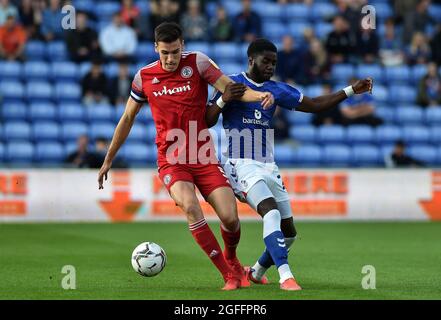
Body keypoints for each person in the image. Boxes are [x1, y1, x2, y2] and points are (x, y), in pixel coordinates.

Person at [97, 22, 274, 291]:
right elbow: (127, 117)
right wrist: (108, 158)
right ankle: (228, 274)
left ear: (183, 46)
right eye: (165, 53)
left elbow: (231, 88)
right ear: (156, 47)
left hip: (203, 155)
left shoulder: (199, 63)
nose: (170, 59)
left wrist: (259, 95)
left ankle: (232, 259)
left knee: (230, 218)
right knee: (190, 207)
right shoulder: (143, 77)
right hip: (171, 159)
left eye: (175, 52)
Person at [205, 38, 373, 291]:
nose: (271, 66)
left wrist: (350, 90)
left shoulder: (277, 90)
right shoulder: (231, 84)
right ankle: (286, 276)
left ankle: (257, 271)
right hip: (240, 163)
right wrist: (222, 100)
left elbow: (315, 105)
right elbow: (206, 120)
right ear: (251, 60)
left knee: (289, 233)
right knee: (270, 212)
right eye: (266, 61)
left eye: (274, 62)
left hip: (267, 164)